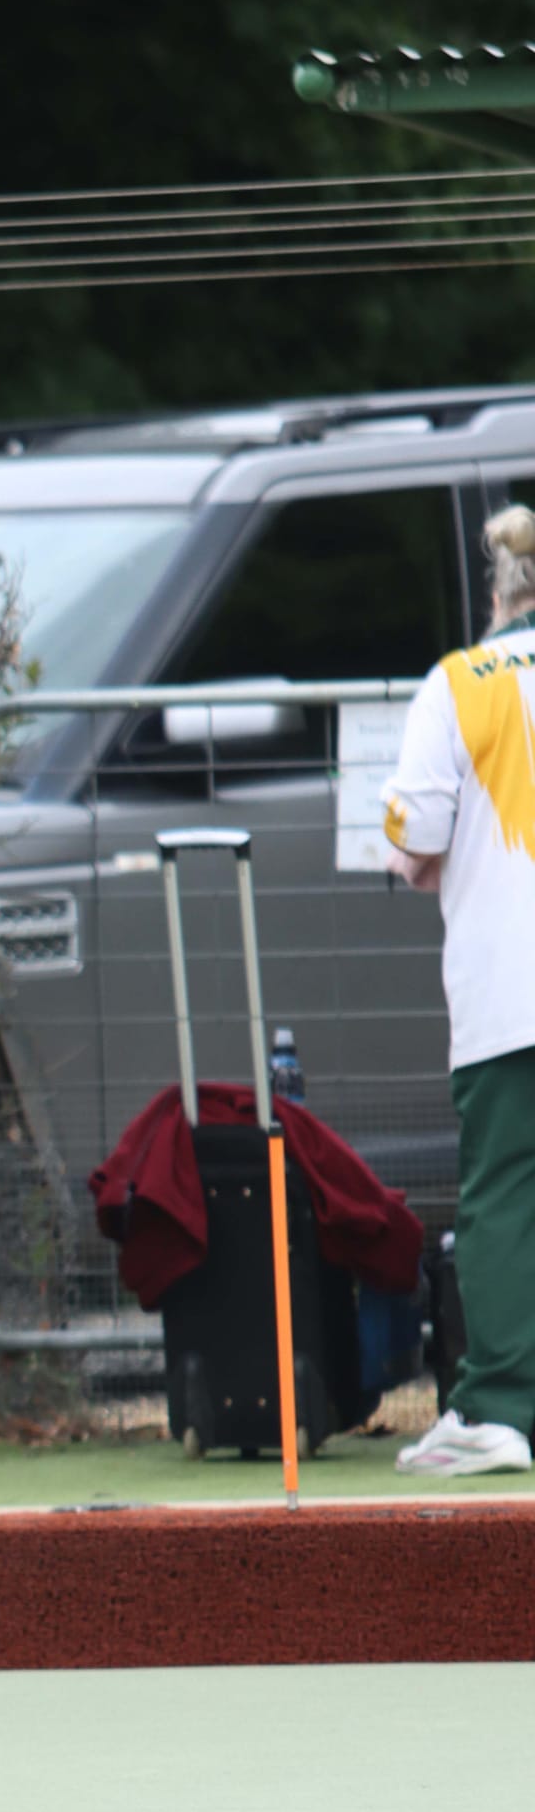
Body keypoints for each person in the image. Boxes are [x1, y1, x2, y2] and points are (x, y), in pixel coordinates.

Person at [384, 502, 535, 1474]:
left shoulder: (456, 683)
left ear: (496, 591)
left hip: (505, 980)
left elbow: (413, 841)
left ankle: (498, 1405)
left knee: (501, 1196)